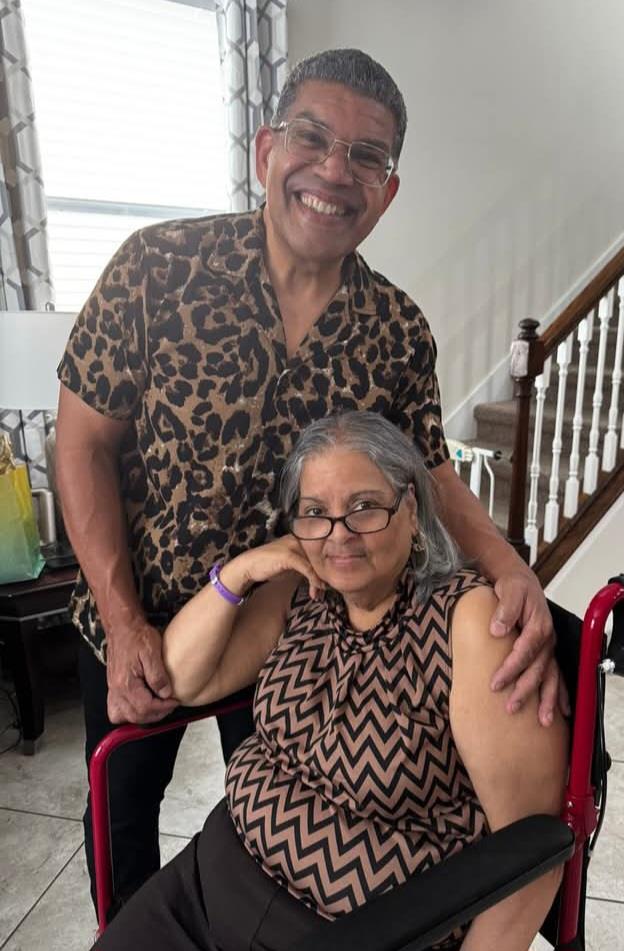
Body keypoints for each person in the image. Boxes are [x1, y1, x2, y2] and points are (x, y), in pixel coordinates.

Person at [55, 48, 566, 917]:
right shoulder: (157, 269)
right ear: (266, 150)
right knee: (123, 834)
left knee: (271, 840)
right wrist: (121, 616)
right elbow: (81, 446)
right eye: (312, 138)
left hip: (292, 635)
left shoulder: (397, 328)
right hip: (144, 631)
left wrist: (511, 566)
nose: (335, 171)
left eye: (368, 156)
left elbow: (432, 473)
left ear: (389, 189)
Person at [92, 411, 568, 951]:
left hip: (350, 931)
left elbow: (532, 852)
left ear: (410, 510)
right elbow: (183, 679)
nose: (338, 536)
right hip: (206, 885)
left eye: (364, 507)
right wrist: (243, 570)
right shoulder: (302, 595)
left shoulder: (469, 624)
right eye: (315, 513)